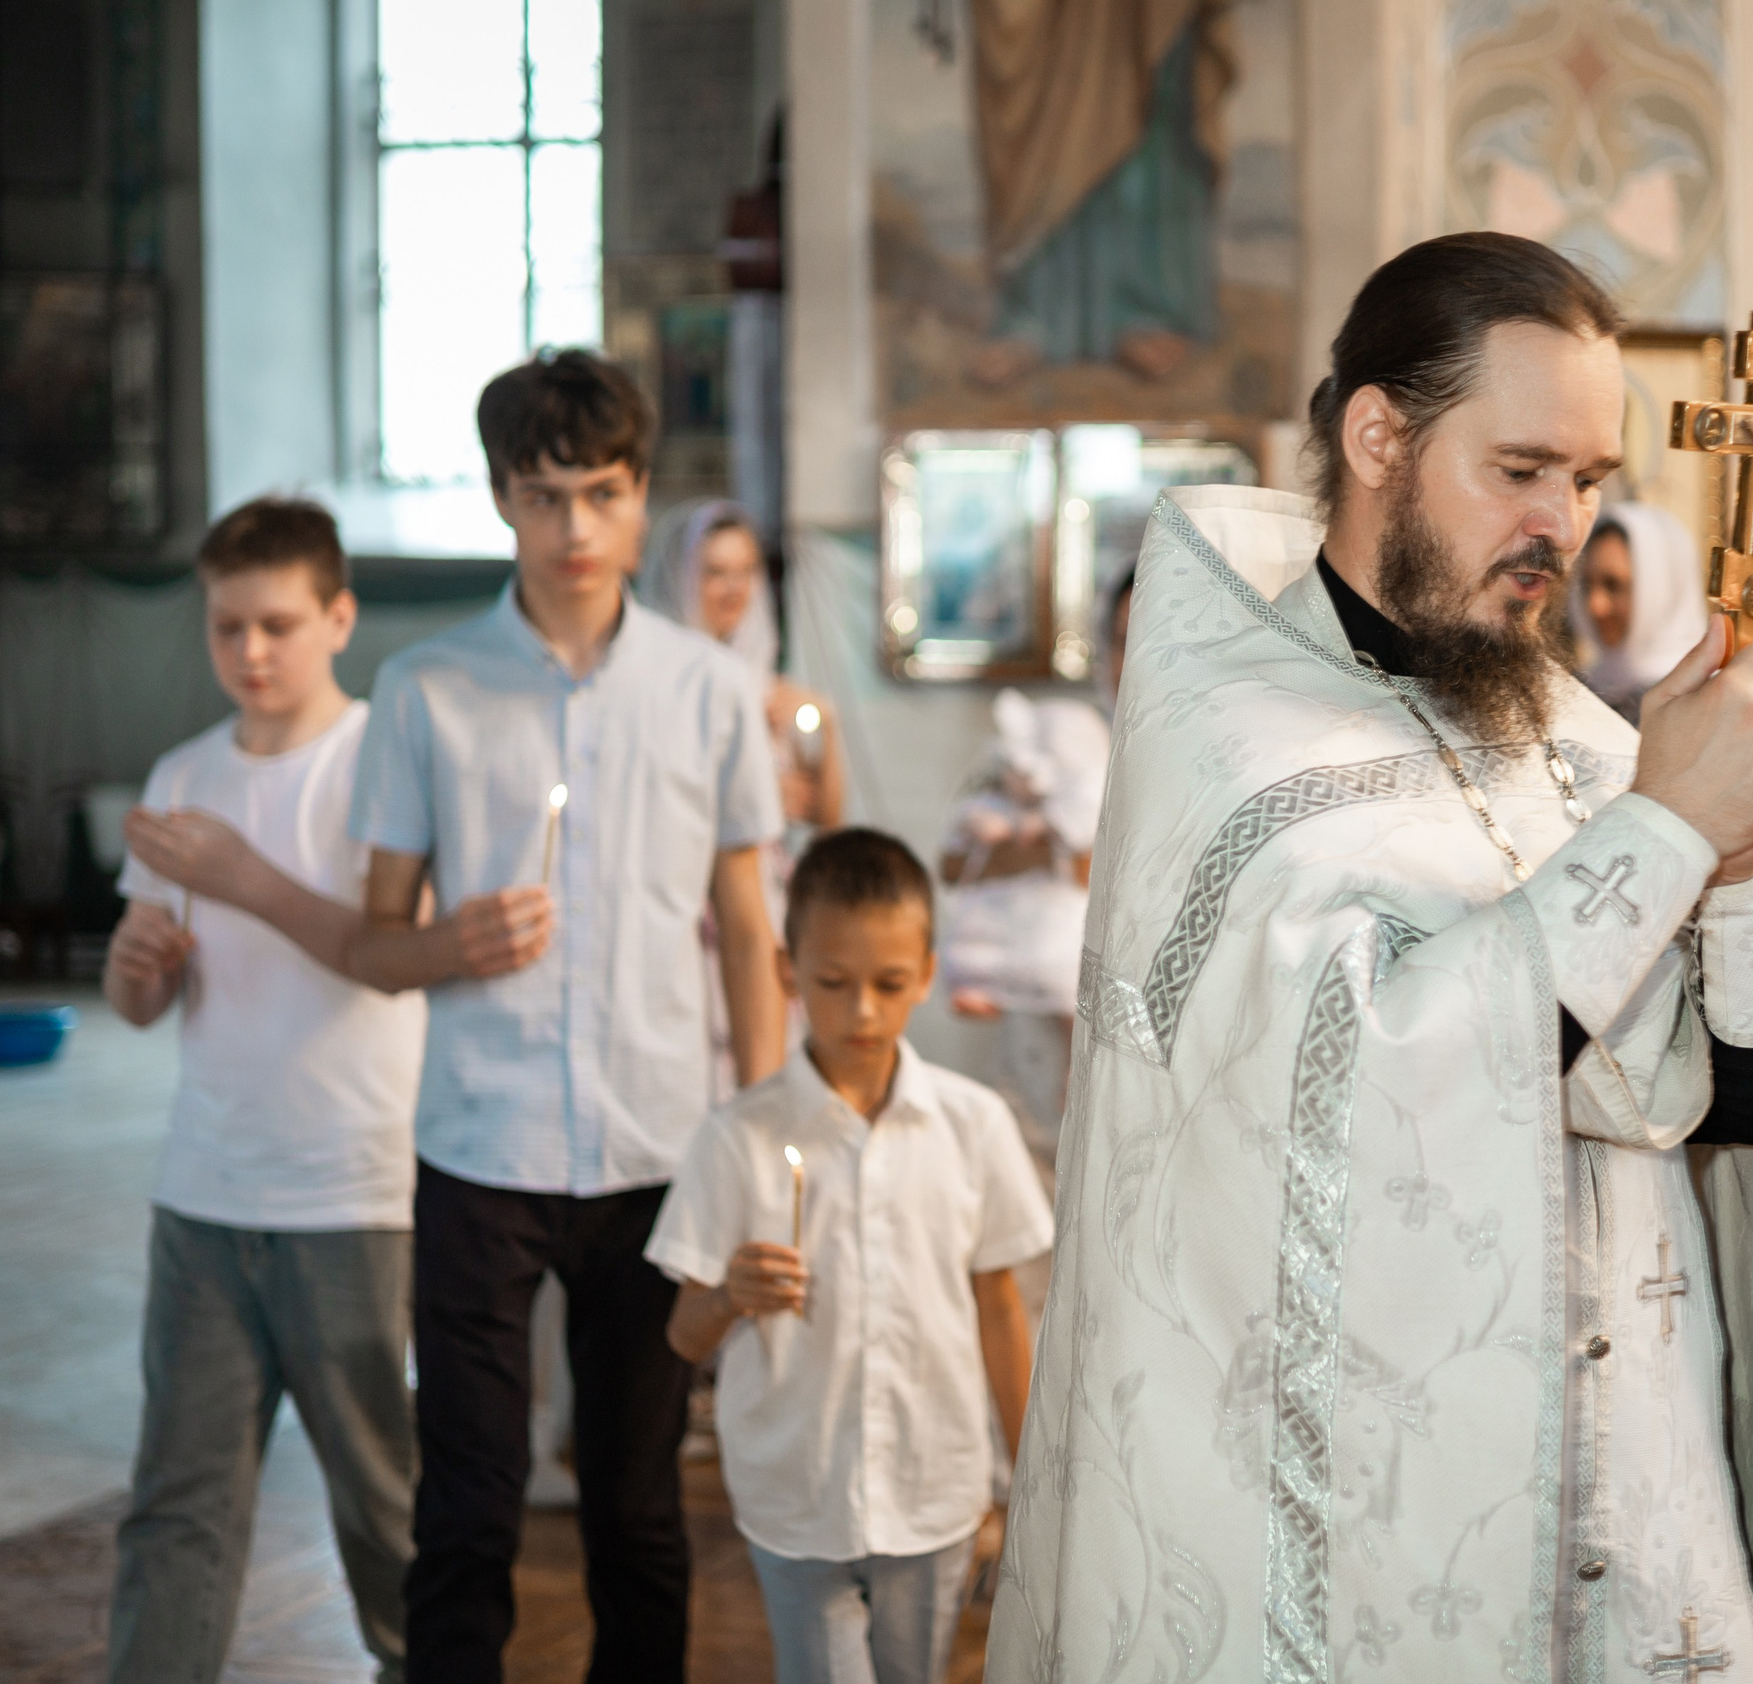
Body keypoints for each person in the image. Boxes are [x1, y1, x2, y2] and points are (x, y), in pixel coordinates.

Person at [987, 232, 1753, 1682]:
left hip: (1649, 1523)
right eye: (1522, 466)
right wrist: (1671, 829)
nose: (1565, 523)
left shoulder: (1602, 749)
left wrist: (1734, 868)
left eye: (1594, 479)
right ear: (1378, 436)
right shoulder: (1228, 753)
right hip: (1377, 1547)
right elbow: (1366, 1103)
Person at [345, 349, 787, 1684]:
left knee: (638, 1514)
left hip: (656, 1151)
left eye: (602, 492)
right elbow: (371, 943)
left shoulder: (708, 690)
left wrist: (758, 1141)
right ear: (499, 500)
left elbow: (751, 934)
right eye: (544, 496)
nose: (576, 529)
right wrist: (448, 939)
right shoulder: (424, 688)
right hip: (479, 1154)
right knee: (467, 1514)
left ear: (643, 493)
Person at [100, 497, 425, 1683]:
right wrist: (136, 969)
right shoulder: (183, 770)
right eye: (227, 626)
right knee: (175, 1503)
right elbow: (137, 990)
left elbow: (400, 956)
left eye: (278, 624)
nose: (250, 652)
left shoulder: (386, 761)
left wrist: (245, 877)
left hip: (351, 1191)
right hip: (203, 1189)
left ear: (339, 616)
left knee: (385, 1507)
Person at [646, 829, 1051, 1684]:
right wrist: (729, 1295)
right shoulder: (738, 1138)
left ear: (928, 974)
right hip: (796, 1489)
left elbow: (1000, 1310)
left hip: (932, 1481)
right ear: (790, 972)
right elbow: (683, 1335)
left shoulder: (972, 1126)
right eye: (833, 984)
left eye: (889, 984)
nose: (862, 1011)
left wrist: (1032, 1483)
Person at [935, 578, 1129, 1167]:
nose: (1131, 659)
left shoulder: (1207, 759)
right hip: (1038, 1034)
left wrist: (1065, 856)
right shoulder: (1061, 737)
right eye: (1119, 640)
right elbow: (952, 862)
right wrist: (1048, 849)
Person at [639, 498, 846, 834]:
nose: (735, 589)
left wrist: (828, 722)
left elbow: (827, 819)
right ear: (682, 579)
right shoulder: (658, 684)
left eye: (746, 571)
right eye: (716, 572)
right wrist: (756, 799)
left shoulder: (759, 682)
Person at [1567, 501, 1708, 722]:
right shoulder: (1575, 696)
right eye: (1586, 585)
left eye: (1613, 585)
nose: (1595, 606)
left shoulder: (1707, 702)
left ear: (1665, 586)